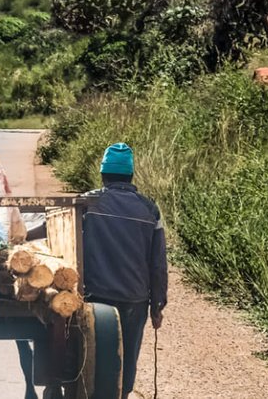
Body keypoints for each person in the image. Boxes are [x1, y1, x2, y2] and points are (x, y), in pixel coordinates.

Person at [81, 142, 168, 397]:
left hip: (94, 297)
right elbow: (158, 263)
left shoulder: (88, 203)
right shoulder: (149, 209)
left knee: (90, 358)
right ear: (131, 175)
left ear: (103, 175)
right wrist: (157, 305)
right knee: (127, 360)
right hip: (134, 299)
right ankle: (124, 393)